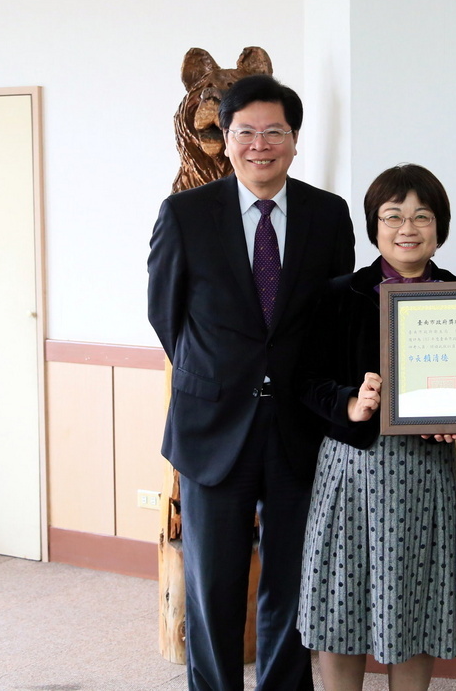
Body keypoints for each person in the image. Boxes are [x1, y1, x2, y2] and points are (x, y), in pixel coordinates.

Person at [147, 74, 355, 691]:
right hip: (213, 428)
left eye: (274, 132)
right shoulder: (185, 214)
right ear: (226, 139)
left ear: (294, 141)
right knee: (213, 589)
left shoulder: (327, 214)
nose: (259, 145)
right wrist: (217, 376)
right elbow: (166, 314)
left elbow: (335, 316)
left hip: (298, 427)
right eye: (246, 132)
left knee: (290, 588)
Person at [297, 164, 456, 691]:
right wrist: (351, 401)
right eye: (392, 216)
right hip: (352, 466)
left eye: (422, 215)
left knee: (413, 602)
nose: (407, 228)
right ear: (374, 225)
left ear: (440, 226)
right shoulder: (337, 294)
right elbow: (304, 380)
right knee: (341, 604)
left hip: (425, 469)